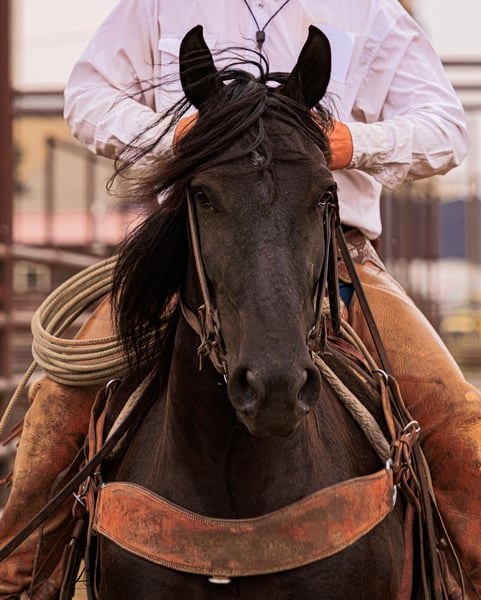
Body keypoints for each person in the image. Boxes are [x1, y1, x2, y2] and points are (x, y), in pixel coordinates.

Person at [1, 1, 480, 598]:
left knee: (456, 417)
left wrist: (350, 143)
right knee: (58, 399)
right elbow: (87, 96)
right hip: (192, 257)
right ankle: (19, 579)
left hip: (335, 257)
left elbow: (446, 127)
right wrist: (179, 136)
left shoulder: (369, 8)